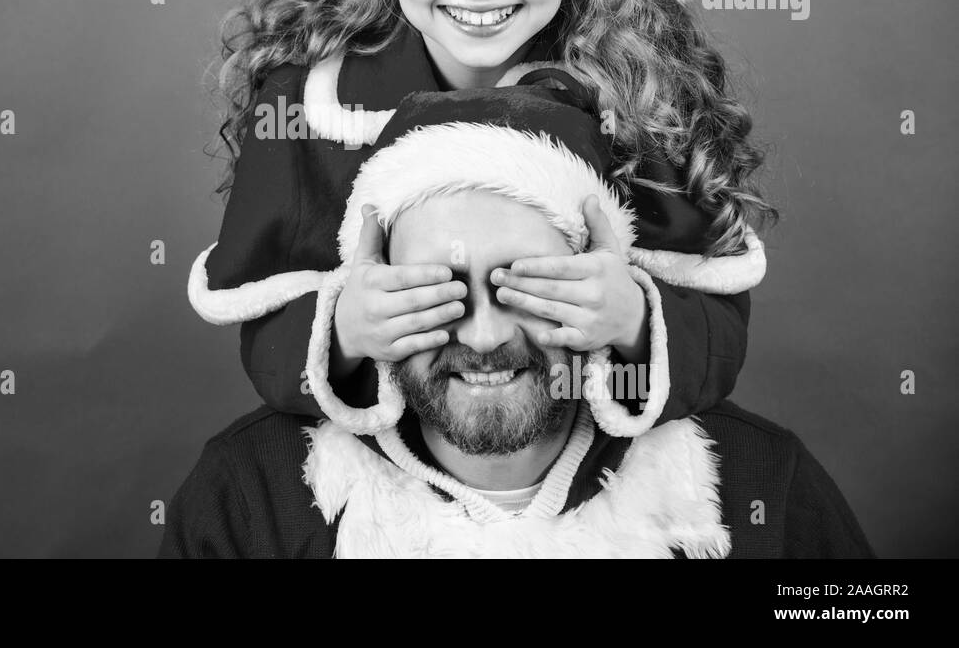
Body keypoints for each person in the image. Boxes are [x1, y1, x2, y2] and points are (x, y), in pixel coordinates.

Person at [189, 0, 774, 440]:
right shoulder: (307, 101)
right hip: (396, 461)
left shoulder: (643, 90)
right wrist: (343, 330)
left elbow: (718, 331)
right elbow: (270, 336)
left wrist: (634, 321)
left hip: (583, 457)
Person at [162, 85, 870, 558]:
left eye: (526, 284)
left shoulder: (757, 484)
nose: (484, 337)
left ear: (599, 272)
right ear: (367, 279)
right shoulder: (250, 495)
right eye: (436, 289)